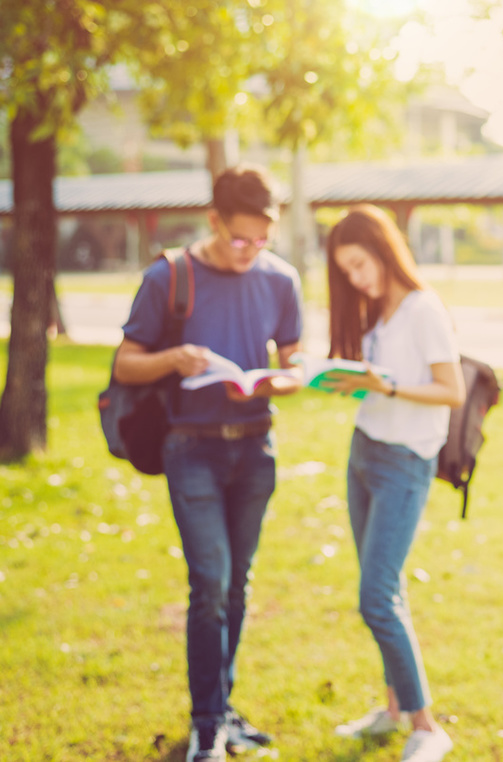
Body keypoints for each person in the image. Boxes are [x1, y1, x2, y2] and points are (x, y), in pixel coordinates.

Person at [113, 165, 303, 762]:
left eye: (262, 240)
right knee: (211, 583)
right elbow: (125, 363)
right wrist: (174, 357)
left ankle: (221, 711)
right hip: (190, 448)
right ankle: (205, 729)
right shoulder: (168, 276)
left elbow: (297, 362)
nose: (251, 252)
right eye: (239, 238)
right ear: (214, 220)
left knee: (237, 585)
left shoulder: (281, 280)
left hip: (255, 446)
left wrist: (284, 378)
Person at [322, 205, 465, 762]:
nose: (356, 278)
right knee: (386, 588)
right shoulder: (374, 309)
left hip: (405, 461)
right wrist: (351, 382)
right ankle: (393, 710)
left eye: (360, 264)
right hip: (364, 451)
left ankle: (427, 726)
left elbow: (449, 390)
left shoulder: (423, 307)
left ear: (383, 250)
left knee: (376, 597)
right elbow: (378, 384)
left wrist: (384, 385)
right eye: (347, 270)